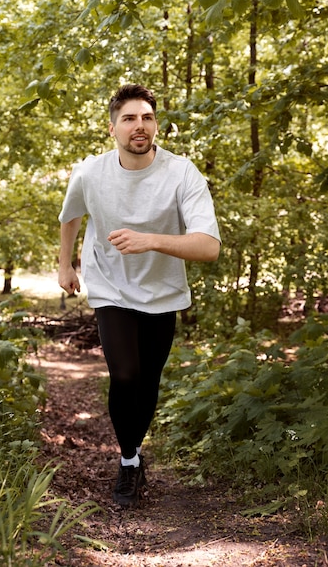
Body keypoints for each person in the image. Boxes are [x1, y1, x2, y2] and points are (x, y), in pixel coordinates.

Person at [58, 84, 221, 507]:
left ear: (157, 125)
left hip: (162, 290)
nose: (139, 125)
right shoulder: (90, 172)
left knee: (148, 380)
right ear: (112, 128)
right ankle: (129, 461)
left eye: (147, 117)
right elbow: (71, 216)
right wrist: (65, 263)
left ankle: (133, 452)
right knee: (125, 374)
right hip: (110, 285)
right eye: (129, 118)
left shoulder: (182, 172)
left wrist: (150, 240)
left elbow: (208, 246)